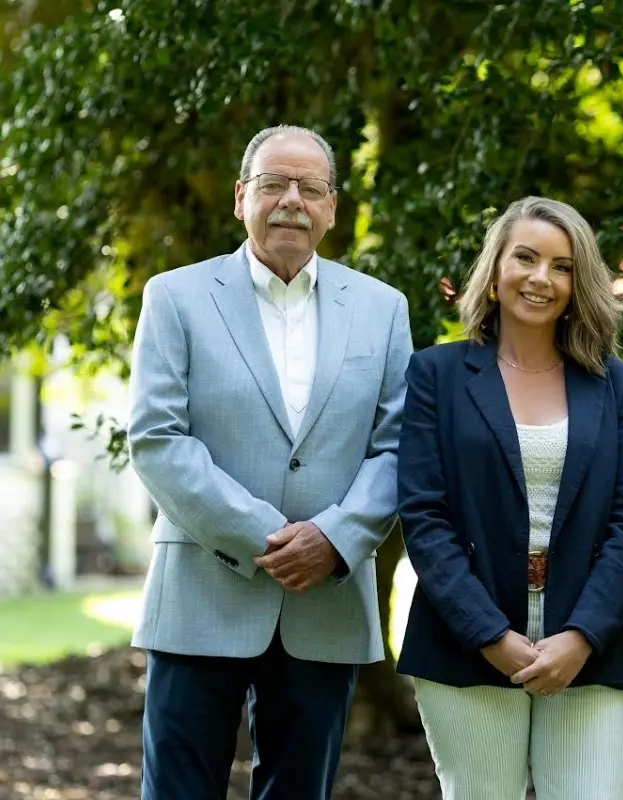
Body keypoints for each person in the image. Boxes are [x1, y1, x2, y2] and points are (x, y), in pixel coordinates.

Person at [127, 124, 412, 800]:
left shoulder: (382, 308)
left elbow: (399, 446)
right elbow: (157, 438)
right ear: (240, 198)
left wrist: (335, 539)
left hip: (328, 600)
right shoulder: (175, 297)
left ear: (331, 208)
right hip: (200, 592)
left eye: (310, 188)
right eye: (273, 184)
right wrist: (270, 538)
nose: (291, 200)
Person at [396, 196, 623, 799]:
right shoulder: (436, 375)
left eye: (562, 266)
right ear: (495, 271)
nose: (542, 278)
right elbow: (424, 517)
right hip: (466, 641)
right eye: (526, 258)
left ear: (578, 281)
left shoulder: (616, 383)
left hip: (588, 641)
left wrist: (582, 635)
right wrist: (490, 634)